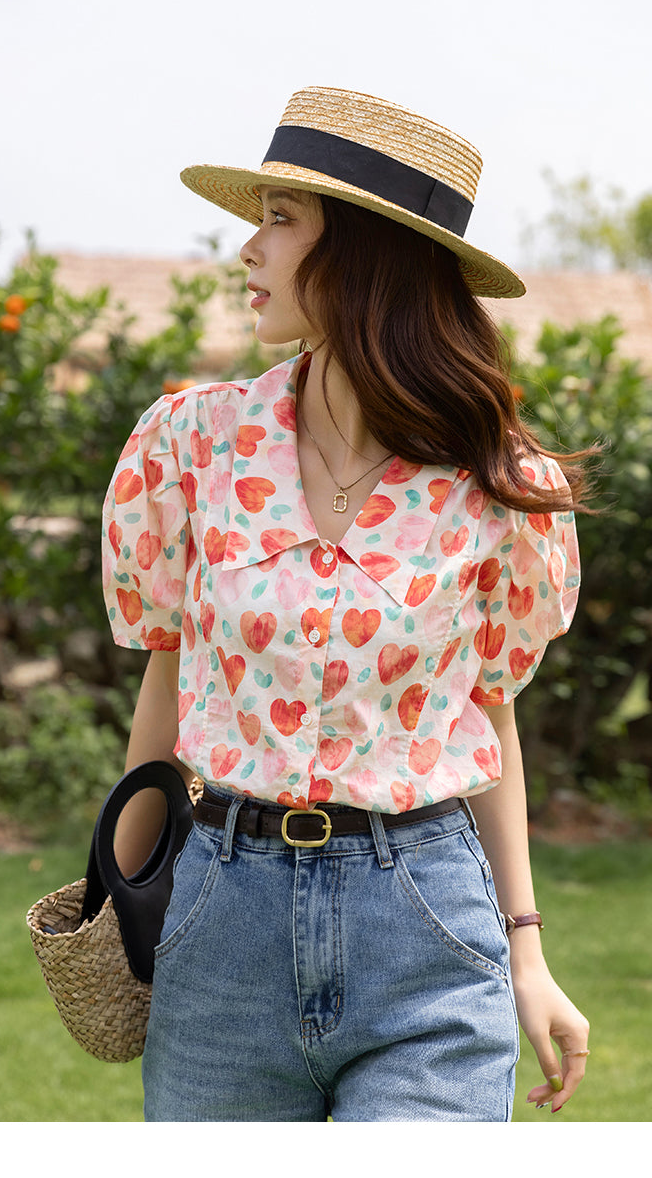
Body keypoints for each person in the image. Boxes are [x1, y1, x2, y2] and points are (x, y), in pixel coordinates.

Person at [102, 86, 591, 1122]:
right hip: (220, 924)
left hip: (426, 927)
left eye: (281, 220)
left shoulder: (503, 484)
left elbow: (488, 710)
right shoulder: (191, 444)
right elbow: (167, 674)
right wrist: (126, 897)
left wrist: (527, 949)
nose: (249, 248)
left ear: (365, 253)